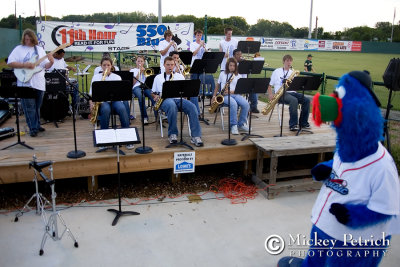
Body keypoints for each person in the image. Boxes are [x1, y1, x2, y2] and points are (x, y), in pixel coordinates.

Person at [7, 28, 54, 137]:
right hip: (25, 83)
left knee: (37, 107)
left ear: (34, 39)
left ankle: (37, 125)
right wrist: (24, 65)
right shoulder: (18, 49)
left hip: (39, 83)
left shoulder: (40, 49)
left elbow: (45, 66)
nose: (27, 41)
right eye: (26, 39)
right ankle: (32, 128)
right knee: (29, 108)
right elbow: (10, 62)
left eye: (29, 39)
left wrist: (51, 62)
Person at [151, 56, 204, 147]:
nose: (170, 67)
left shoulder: (179, 76)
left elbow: (185, 91)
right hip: (165, 100)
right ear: (164, 65)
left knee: (192, 107)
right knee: (172, 106)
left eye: (172, 65)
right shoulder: (158, 77)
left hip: (179, 99)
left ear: (175, 65)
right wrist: (155, 96)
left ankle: (196, 136)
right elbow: (152, 92)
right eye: (168, 65)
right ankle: (173, 134)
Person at [89, 57, 133, 149]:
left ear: (111, 66)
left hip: (115, 100)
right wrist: (91, 104)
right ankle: (104, 140)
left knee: (122, 108)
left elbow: (120, 93)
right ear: (101, 66)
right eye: (104, 65)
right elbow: (91, 94)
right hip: (102, 101)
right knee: (105, 109)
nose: (106, 67)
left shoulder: (117, 77)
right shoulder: (96, 77)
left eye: (108, 65)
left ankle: (128, 138)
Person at [268, 54, 310, 131]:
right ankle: (293, 124)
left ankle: (303, 123)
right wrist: (270, 94)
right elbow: (269, 85)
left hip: (292, 92)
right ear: (283, 62)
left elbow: (296, 86)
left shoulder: (292, 72)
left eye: (290, 61)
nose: (289, 63)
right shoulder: (277, 71)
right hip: (280, 94)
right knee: (294, 100)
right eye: (287, 61)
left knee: (306, 100)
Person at [212, 58, 250, 135]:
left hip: (235, 94)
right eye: (230, 65)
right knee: (233, 104)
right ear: (227, 66)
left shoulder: (238, 76)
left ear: (236, 67)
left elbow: (240, 89)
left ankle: (241, 124)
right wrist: (213, 96)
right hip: (224, 96)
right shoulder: (222, 74)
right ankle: (233, 125)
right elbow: (217, 85)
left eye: (234, 66)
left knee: (246, 104)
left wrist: (231, 91)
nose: (232, 67)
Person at [169, 51, 200, 115]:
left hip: (181, 86)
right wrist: (175, 71)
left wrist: (179, 71)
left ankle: (197, 113)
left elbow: (183, 78)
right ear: (170, 58)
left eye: (177, 58)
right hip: (172, 88)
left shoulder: (181, 67)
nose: (176, 59)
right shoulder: (168, 67)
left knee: (194, 92)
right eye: (174, 58)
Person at [130, 55, 155, 125]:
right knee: (141, 97)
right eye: (138, 61)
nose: (140, 62)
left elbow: (149, 82)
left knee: (154, 96)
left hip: (145, 86)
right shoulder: (132, 70)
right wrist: (139, 73)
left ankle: (158, 116)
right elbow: (132, 83)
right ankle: (144, 118)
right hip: (136, 87)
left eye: (141, 61)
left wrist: (146, 74)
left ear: (144, 62)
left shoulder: (146, 70)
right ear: (136, 62)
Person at [233, 49, 259, 113]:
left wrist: (248, 65)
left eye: (240, 54)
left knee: (254, 88)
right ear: (234, 56)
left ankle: (253, 107)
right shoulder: (232, 65)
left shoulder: (244, 63)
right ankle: (237, 107)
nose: (240, 56)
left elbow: (250, 72)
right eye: (237, 54)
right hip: (235, 84)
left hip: (244, 82)